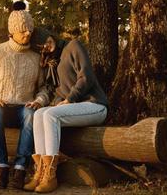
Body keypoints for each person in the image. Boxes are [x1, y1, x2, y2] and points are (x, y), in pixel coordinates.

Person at [0, 2, 49, 190]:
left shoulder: (36, 58)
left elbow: (45, 88)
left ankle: (20, 170)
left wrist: (39, 100)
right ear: (12, 32)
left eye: (29, 29)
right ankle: (1, 168)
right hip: (1, 107)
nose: (27, 33)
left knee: (31, 115)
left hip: (24, 108)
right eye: (22, 30)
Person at [24, 35, 108, 193]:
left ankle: (51, 176)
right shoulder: (50, 63)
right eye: (42, 45)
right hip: (74, 108)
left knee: (50, 115)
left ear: (51, 36)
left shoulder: (73, 46)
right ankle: (40, 173)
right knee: (39, 113)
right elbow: (52, 91)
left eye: (48, 40)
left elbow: (86, 77)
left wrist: (70, 98)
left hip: (95, 105)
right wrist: (39, 102)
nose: (47, 46)